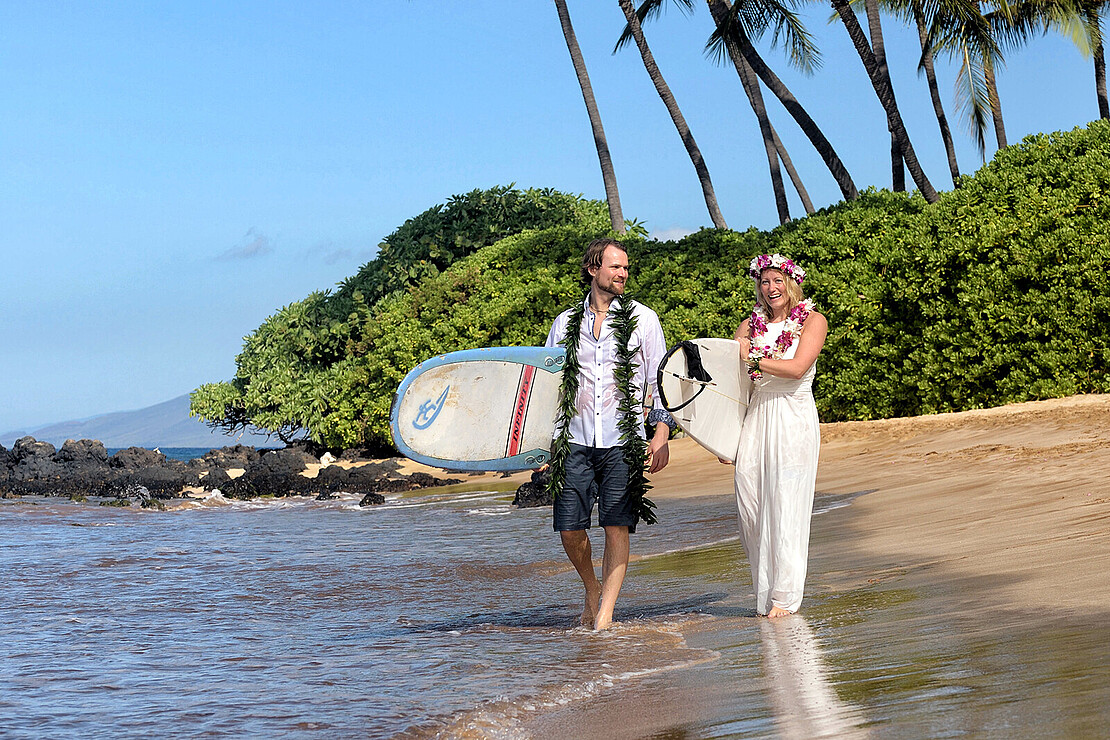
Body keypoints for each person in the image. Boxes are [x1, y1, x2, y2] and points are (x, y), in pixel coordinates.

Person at [544, 237, 675, 631]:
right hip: (575, 438)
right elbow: (548, 384)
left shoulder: (644, 319)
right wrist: (544, 444)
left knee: (616, 523)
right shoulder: (565, 323)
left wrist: (662, 432)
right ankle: (590, 586)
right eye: (615, 267)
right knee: (569, 527)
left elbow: (661, 379)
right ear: (593, 269)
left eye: (625, 268)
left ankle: (605, 615)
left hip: (625, 439)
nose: (623, 274)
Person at [726, 253, 827, 618]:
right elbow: (732, 384)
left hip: (792, 414)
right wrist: (725, 437)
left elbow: (798, 368)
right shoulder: (748, 326)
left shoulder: (812, 321)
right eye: (765, 282)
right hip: (756, 417)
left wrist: (751, 359)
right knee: (750, 503)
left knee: (786, 502)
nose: (771, 288)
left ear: (791, 283)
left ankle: (784, 596)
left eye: (778, 281)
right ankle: (765, 589)